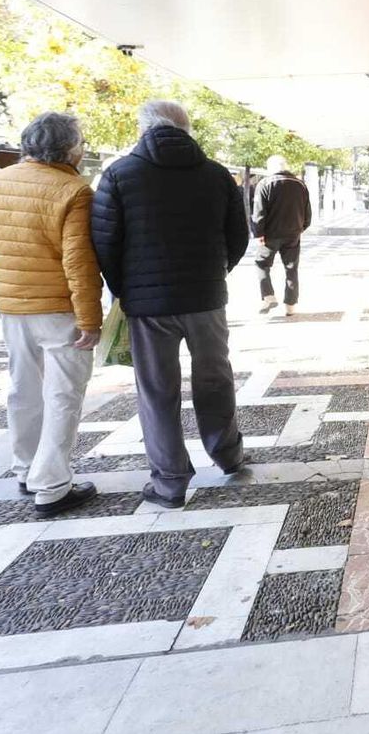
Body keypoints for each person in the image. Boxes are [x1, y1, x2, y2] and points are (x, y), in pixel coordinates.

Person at [0, 112, 101, 516]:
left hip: (12, 309)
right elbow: (78, 261)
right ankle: (52, 485)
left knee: (23, 389)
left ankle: (27, 469)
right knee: (64, 394)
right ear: (69, 150)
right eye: (79, 143)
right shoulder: (74, 190)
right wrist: (89, 319)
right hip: (59, 311)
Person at [91, 100, 249, 508]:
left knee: (157, 390)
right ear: (186, 128)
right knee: (215, 377)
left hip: (148, 307)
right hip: (206, 299)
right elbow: (239, 236)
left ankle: (170, 482)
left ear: (143, 128)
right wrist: (216, 272)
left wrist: (125, 287)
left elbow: (105, 242)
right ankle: (228, 454)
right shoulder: (215, 174)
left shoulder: (120, 175)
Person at [251, 154, 312, 316]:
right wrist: (300, 228)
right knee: (291, 269)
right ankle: (290, 306)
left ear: (270, 168)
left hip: (270, 234)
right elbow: (308, 213)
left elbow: (259, 212)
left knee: (262, 264)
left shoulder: (264, 184)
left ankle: (268, 296)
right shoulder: (301, 185)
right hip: (293, 234)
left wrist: (258, 232)